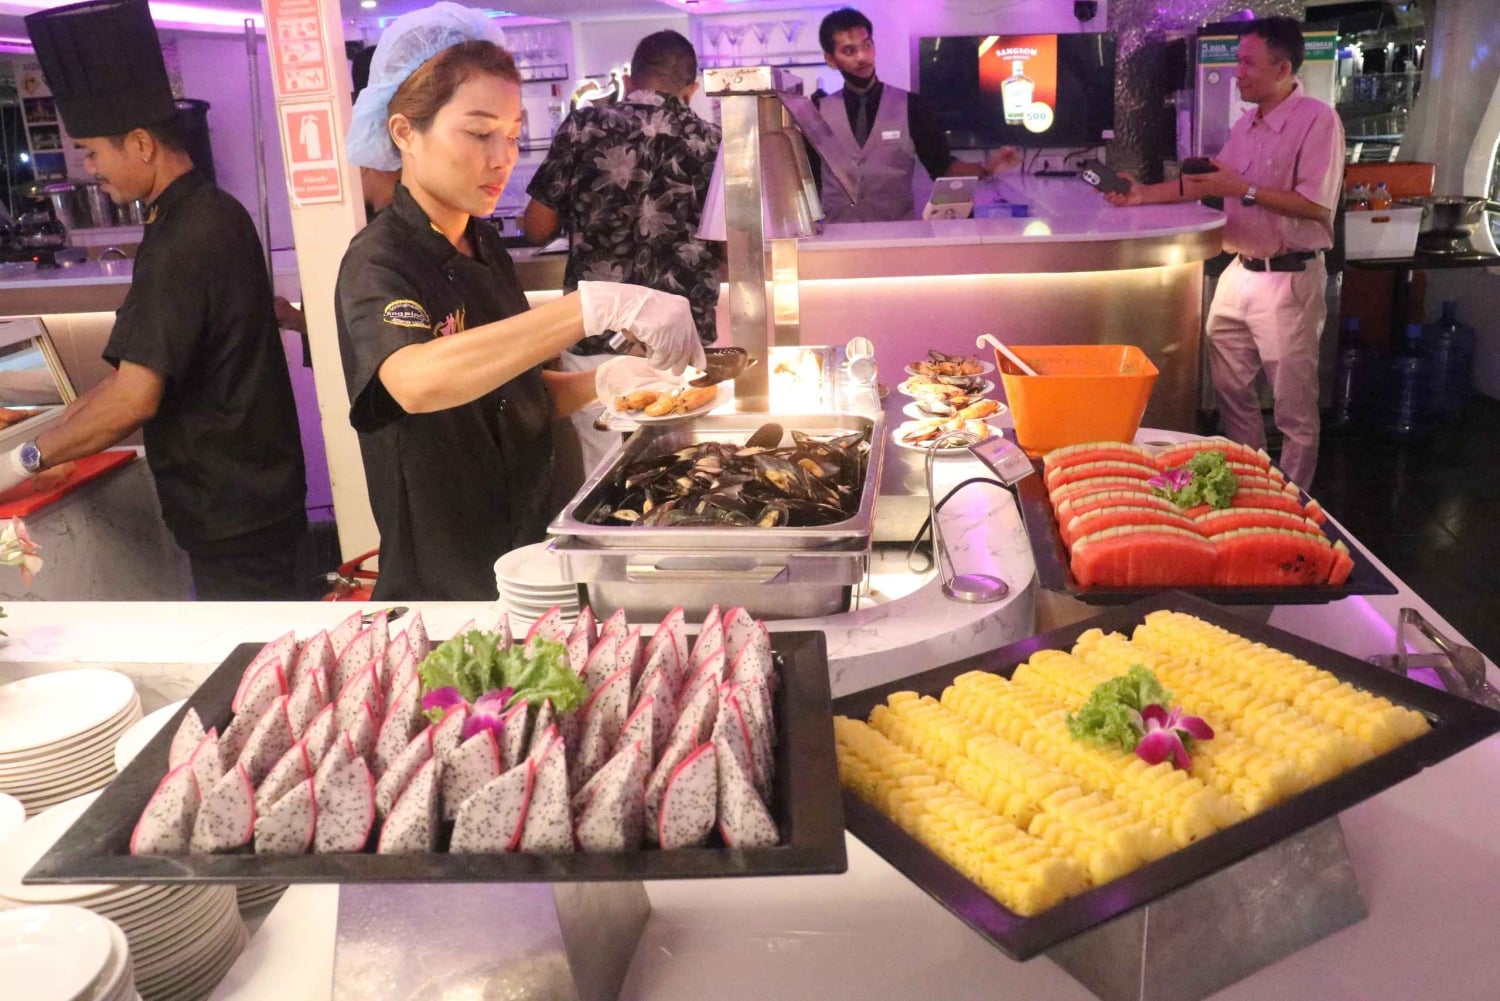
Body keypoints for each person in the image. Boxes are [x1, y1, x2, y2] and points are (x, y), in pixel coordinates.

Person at [338, 3, 703, 601]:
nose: (503, 157)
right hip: (449, 577)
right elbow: (413, 381)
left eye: (510, 135)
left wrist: (605, 381)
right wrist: (591, 307)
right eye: (479, 133)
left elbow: (518, 392)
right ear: (404, 132)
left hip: (533, 545)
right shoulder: (379, 260)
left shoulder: (483, 244)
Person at [1, 0, 307, 601]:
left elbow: (135, 396)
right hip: (252, 495)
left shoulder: (183, 238)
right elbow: (130, 375)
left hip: (233, 509)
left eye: (92, 151)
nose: (89, 168)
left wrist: (23, 461)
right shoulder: (212, 211)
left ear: (140, 143)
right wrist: (62, 425)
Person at [1103, 18, 1342, 488]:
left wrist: (1246, 189)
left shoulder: (1318, 120)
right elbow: (1213, 182)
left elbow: (1316, 205)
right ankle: (1251, 481)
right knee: (1230, 390)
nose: (1238, 72)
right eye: (1237, 61)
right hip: (1241, 270)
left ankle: (1292, 505)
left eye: (1248, 63)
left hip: (1289, 277)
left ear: (1283, 67)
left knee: (1294, 410)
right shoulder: (1247, 124)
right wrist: (1141, 194)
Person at [522, 29, 724, 472]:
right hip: (680, 340)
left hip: (595, 336)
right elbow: (731, 248)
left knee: (605, 472)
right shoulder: (714, 142)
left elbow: (536, 228)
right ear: (692, 87)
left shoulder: (582, 126)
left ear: (630, 78)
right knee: (679, 469)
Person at [813, 7, 1021, 223]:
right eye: (849, 51)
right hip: (837, 239)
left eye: (867, 45)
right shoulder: (817, 109)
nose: (862, 57)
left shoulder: (912, 105)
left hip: (896, 237)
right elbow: (807, 179)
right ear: (830, 59)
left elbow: (942, 167)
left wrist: (986, 169)